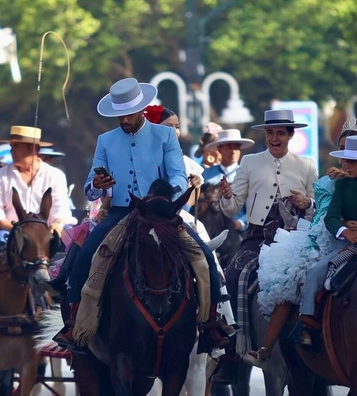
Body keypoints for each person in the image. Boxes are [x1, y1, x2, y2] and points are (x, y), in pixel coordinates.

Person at [58, 78, 231, 353]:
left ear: (141, 109)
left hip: (160, 212)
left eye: (128, 114)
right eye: (119, 115)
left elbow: (178, 175)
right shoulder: (105, 140)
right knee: (84, 255)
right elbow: (90, 187)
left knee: (204, 255)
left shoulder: (165, 136)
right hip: (120, 213)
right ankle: (73, 322)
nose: (124, 119)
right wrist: (97, 185)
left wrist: (163, 197)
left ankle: (210, 324)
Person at [295, 134, 357, 351]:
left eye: (352, 161)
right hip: (347, 247)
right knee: (315, 273)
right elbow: (330, 217)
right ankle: (308, 323)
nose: (345, 164)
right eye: (346, 160)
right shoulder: (342, 186)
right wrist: (345, 231)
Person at [219, 110, 315, 284]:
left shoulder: (306, 165)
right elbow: (232, 209)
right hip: (257, 237)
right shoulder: (249, 162)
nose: (274, 138)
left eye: (280, 133)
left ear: (291, 135)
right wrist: (227, 196)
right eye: (270, 132)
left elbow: (318, 206)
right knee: (232, 278)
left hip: (296, 237)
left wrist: (306, 202)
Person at [0, 126, 72, 240]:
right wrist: (13, 228)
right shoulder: (0, 175)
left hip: (47, 233)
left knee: (69, 234)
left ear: (34, 149)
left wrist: (57, 225)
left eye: (16, 146)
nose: (12, 151)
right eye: (11, 146)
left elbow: (61, 209)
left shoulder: (56, 175)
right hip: (11, 234)